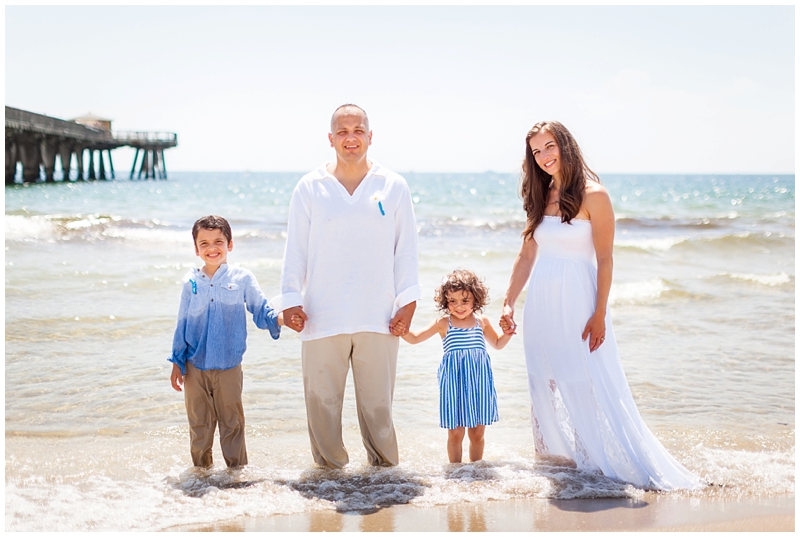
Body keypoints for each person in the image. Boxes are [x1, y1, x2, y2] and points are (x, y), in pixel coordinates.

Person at [499, 121, 704, 490]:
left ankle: (591, 468)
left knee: (581, 381)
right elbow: (527, 253)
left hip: (579, 298)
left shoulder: (595, 195)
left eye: (549, 147)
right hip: (542, 301)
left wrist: (599, 314)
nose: (544, 157)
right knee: (542, 383)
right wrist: (508, 302)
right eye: (536, 152)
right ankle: (552, 468)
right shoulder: (538, 194)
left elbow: (606, 260)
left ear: (565, 145)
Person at [271, 104, 420, 469]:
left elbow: (407, 249)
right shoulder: (309, 187)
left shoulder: (393, 185)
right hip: (322, 314)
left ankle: (385, 480)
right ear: (330, 138)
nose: (350, 138)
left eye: (358, 130)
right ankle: (329, 480)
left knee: (378, 408)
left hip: (379, 314)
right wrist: (290, 299)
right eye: (342, 131)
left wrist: (408, 301)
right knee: (321, 405)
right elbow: (296, 249)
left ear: (370, 136)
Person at [169, 215, 284, 468]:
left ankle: (236, 477)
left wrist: (282, 319)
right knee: (199, 426)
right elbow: (182, 323)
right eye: (205, 243)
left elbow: (261, 309)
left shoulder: (242, 279)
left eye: (218, 241)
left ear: (230, 245)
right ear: (196, 249)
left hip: (229, 365)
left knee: (232, 425)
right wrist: (177, 361)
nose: (212, 248)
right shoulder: (190, 283)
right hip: (194, 366)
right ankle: (201, 477)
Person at [397, 270, 511, 463]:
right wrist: (402, 331)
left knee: (477, 433)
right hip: (453, 382)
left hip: (479, 382)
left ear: (476, 299)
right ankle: (456, 472)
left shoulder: (481, 322)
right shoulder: (443, 323)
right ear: (445, 301)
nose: (459, 306)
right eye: (452, 301)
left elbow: (498, 344)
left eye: (465, 301)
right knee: (456, 433)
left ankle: (475, 469)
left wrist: (507, 332)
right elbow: (415, 338)